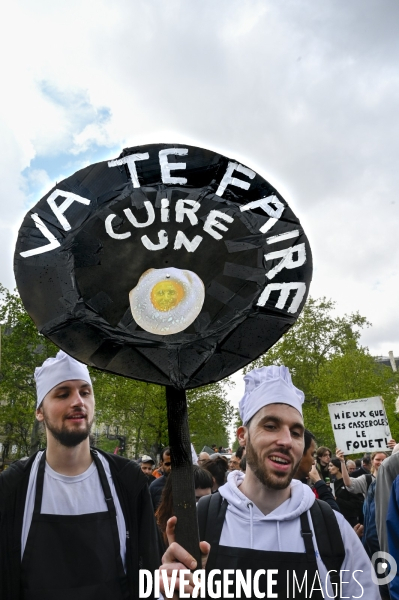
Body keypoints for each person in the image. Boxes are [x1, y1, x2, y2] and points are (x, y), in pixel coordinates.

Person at [160, 366, 380, 599]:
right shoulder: (203, 518)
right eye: (271, 426)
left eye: (296, 432)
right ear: (243, 436)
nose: (286, 441)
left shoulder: (330, 527)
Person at [0, 350, 159, 600]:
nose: (78, 401)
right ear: (40, 411)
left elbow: (150, 570)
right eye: (63, 394)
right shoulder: (13, 486)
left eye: (85, 392)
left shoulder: (128, 480)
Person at [155, 465, 212, 550]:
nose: (202, 504)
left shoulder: (212, 525)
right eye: (196, 498)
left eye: (208, 499)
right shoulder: (156, 530)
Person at [293, 429, 339, 512]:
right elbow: (334, 516)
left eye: (329, 455)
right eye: (312, 454)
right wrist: (318, 481)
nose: (313, 461)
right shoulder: (302, 492)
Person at [375, 442, 399, 553]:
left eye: (382, 459)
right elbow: (386, 517)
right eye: (377, 459)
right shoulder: (390, 466)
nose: (380, 462)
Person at [327, 457, 363, 527]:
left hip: (350, 521)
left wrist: (337, 500)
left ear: (338, 467)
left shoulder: (349, 482)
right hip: (339, 519)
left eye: (331, 466)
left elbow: (355, 504)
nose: (329, 468)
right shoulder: (333, 483)